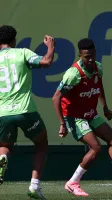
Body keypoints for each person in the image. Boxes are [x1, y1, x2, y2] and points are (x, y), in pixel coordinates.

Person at [52, 38, 112, 197]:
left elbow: (98, 87)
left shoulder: (97, 67)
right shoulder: (73, 74)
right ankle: (72, 182)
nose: (90, 59)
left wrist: (105, 107)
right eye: (86, 56)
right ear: (80, 55)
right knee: (96, 148)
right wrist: (62, 124)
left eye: (92, 55)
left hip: (90, 113)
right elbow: (56, 98)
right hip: (75, 117)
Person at [0, 25, 55, 199]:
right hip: (25, 110)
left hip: (3, 113)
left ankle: (2, 159)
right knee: (41, 143)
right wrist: (50, 46)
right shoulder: (22, 52)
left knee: (5, 146)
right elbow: (46, 62)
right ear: (14, 40)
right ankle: (34, 186)